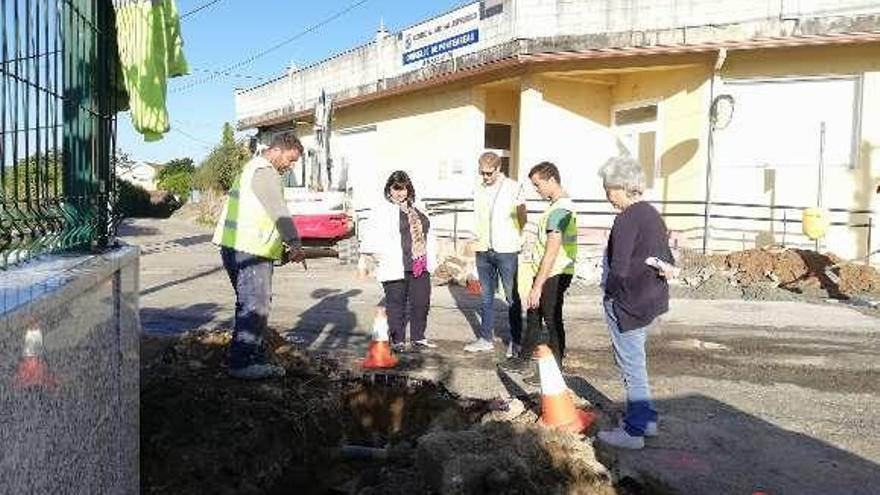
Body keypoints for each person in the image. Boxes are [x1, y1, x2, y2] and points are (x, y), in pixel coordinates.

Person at [595, 156, 675, 450]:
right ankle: (647, 420)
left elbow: (619, 268)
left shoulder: (627, 218)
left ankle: (634, 431)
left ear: (620, 187)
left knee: (631, 366)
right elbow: (667, 258)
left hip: (628, 302)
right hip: (650, 299)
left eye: (607, 189)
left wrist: (609, 295)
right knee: (637, 362)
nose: (607, 197)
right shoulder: (652, 214)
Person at [212, 132, 306, 380]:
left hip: (236, 246)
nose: (291, 166)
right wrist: (294, 243)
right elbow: (278, 211)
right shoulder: (265, 171)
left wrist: (281, 248)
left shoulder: (252, 168)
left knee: (248, 303)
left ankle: (249, 354)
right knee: (255, 304)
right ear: (277, 150)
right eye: (290, 159)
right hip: (250, 250)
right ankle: (242, 363)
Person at [502, 162, 577, 376]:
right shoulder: (557, 206)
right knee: (534, 315)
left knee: (552, 318)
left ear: (552, 180)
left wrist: (537, 285)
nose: (536, 190)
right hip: (549, 271)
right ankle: (523, 359)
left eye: (538, 184)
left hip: (555, 272)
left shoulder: (560, 209)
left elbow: (552, 250)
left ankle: (555, 368)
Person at [359, 171, 439, 352]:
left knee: (421, 303)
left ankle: (418, 337)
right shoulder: (382, 211)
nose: (400, 193)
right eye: (396, 189)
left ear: (409, 190)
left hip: (419, 264)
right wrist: (374, 256)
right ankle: (398, 340)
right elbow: (369, 235)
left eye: (403, 189)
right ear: (389, 190)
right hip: (395, 264)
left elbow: (429, 233)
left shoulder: (418, 209)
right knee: (396, 304)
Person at [465, 152, 527, 357]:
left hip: (506, 249)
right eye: (482, 173)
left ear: (499, 169)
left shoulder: (513, 187)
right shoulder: (478, 188)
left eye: (489, 173)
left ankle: (516, 342)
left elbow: (522, 215)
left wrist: (518, 238)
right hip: (483, 248)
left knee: (511, 297)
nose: (485, 177)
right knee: (485, 298)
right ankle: (485, 338)